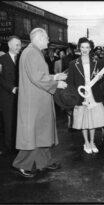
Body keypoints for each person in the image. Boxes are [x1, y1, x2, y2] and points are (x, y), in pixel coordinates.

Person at [12, 28, 67, 178]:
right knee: (32, 135)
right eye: (47, 38)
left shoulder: (32, 52)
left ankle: (45, 162)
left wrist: (55, 77)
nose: (48, 41)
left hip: (38, 100)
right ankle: (21, 165)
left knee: (41, 132)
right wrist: (56, 84)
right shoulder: (31, 53)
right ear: (39, 38)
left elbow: (38, 75)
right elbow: (38, 78)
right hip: (34, 102)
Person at [67, 37, 104, 154]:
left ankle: (93, 142)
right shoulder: (73, 63)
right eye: (82, 47)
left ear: (90, 49)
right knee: (84, 120)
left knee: (93, 120)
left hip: (93, 95)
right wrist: (75, 95)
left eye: (87, 47)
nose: (85, 50)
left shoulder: (97, 62)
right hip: (81, 95)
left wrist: (100, 78)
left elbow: (101, 79)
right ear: (79, 48)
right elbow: (71, 82)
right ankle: (86, 142)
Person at [0, 36, 21, 155]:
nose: (19, 47)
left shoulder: (21, 59)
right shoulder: (1, 59)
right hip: (7, 96)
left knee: (19, 121)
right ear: (9, 45)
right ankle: (9, 147)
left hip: (20, 96)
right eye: (16, 45)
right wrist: (12, 88)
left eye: (20, 45)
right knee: (8, 122)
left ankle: (18, 146)